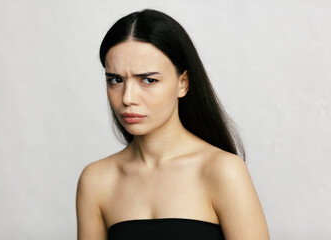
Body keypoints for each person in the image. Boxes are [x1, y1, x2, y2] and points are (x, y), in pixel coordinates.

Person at [76, 9, 270, 240]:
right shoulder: (96, 180)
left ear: (183, 83)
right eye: (116, 80)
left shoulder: (222, 171)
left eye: (148, 80)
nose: (128, 98)